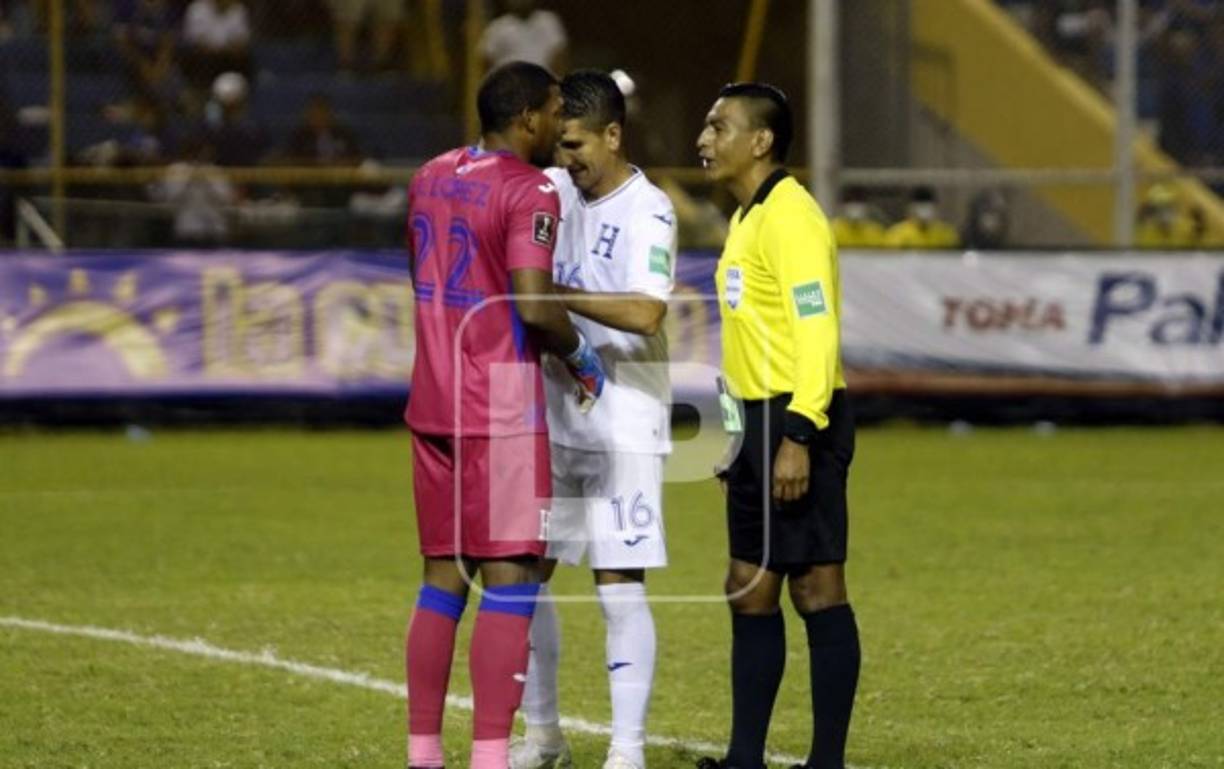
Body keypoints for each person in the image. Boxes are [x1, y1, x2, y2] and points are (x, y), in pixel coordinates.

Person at [402, 60, 607, 769]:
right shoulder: (532, 190)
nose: (560, 122)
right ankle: (491, 757)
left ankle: (423, 752)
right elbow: (532, 302)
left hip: (433, 400)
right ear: (526, 118)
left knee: (441, 578)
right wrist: (579, 351)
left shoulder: (429, 174)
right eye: (554, 109)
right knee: (513, 580)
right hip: (502, 409)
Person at [511, 70, 677, 769]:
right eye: (559, 143)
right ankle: (545, 735)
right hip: (552, 414)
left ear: (613, 135)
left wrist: (560, 295)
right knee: (522, 577)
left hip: (625, 417)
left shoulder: (651, 208)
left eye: (577, 145)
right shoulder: (551, 190)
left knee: (617, 584)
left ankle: (626, 749)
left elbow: (646, 310)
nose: (567, 158)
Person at [694, 83, 859, 769]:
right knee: (748, 583)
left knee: (816, 585)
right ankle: (743, 759)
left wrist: (797, 433)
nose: (703, 140)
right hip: (756, 422)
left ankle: (824, 762)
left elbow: (816, 331)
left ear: (761, 141)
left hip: (799, 415)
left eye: (718, 126)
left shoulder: (791, 216)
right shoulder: (745, 218)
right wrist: (737, 435)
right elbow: (749, 340)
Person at [480, 0, 568, 73]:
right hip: (509, 87)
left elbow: (559, 57)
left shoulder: (549, 22)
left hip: (543, 85)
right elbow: (486, 61)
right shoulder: (497, 27)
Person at [883, 186, 960, 249]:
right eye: (920, 207)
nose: (924, 211)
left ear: (935, 208)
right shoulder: (897, 233)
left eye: (927, 207)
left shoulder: (946, 233)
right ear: (910, 209)